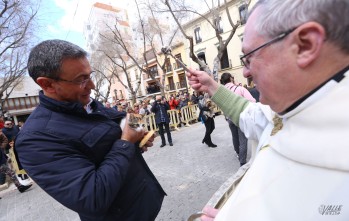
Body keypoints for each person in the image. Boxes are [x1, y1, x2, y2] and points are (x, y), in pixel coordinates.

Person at [187, 0, 349, 220]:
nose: (245, 73)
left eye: (249, 58)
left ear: (305, 45)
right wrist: (211, 86)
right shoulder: (296, 106)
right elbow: (252, 115)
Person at [15, 40, 165, 221]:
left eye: (89, 75)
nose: (92, 86)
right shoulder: (35, 139)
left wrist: (137, 138)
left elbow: (116, 130)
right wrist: (126, 143)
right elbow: (91, 198)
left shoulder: (85, 102)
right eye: (81, 79)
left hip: (145, 202)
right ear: (47, 84)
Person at [220, 73, 256, 166]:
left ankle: (238, 153)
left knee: (234, 136)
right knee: (243, 139)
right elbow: (252, 101)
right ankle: (242, 161)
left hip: (229, 117)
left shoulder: (222, 92)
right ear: (231, 78)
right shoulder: (240, 89)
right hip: (240, 116)